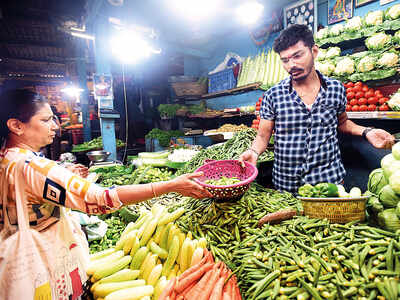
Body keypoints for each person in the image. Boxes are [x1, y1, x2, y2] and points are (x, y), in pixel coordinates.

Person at [0, 89, 211, 298]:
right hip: (39, 263)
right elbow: (101, 200)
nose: (55, 126)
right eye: (46, 120)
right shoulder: (32, 166)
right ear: (16, 126)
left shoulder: (8, 157)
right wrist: (169, 186)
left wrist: (60, 173)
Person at [239, 24, 395, 194]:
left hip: (329, 184)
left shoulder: (336, 89)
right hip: (287, 188)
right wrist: (254, 152)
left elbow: (342, 122)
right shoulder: (273, 95)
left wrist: (366, 132)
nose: (291, 65)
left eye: (297, 56)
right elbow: (263, 135)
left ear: (314, 51)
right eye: (285, 60)